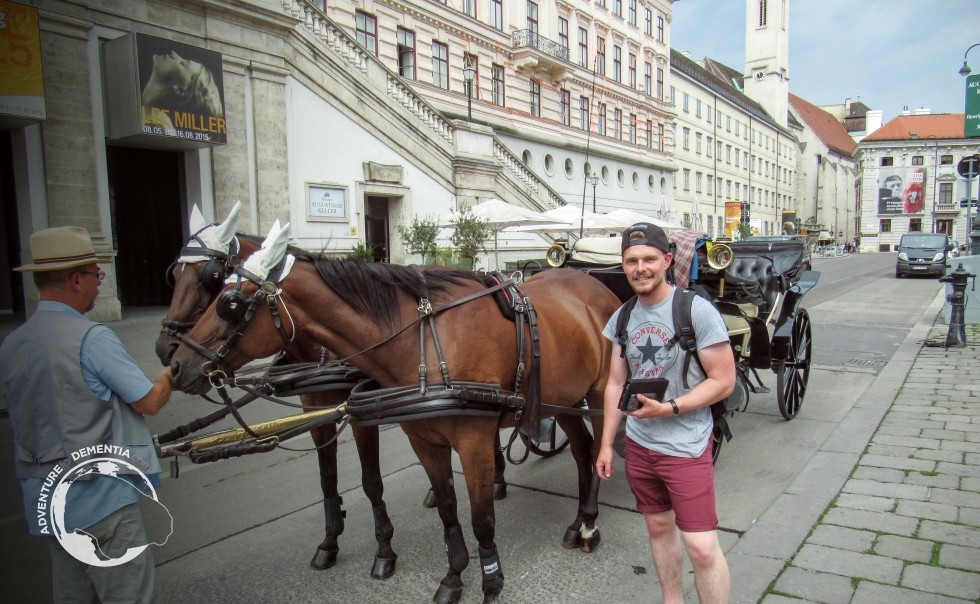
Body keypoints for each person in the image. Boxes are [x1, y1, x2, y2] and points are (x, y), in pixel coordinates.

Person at [0, 226, 174, 603]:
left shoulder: (12, 344)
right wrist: (170, 374)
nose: (100, 284)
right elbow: (149, 402)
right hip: (101, 500)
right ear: (77, 279)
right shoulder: (92, 339)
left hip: (47, 503)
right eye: (98, 275)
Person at [595, 223, 736, 604]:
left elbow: (724, 381)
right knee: (658, 528)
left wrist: (671, 407)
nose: (640, 268)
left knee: (702, 547)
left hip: (686, 446)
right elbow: (614, 384)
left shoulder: (695, 311)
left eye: (649, 259)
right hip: (641, 447)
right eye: (631, 261)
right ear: (623, 265)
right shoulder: (622, 318)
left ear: (667, 261)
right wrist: (606, 445)